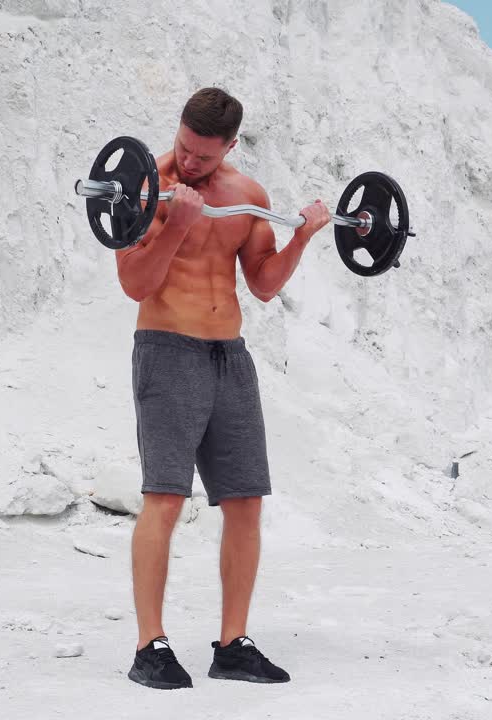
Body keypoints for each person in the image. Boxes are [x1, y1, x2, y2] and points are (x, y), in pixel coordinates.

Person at [115, 87, 332, 690]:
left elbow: (263, 284)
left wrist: (301, 238)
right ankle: (149, 647)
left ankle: (233, 644)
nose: (190, 163)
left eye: (205, 157)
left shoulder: (247, 197)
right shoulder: (143, 188)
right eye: (185, 148)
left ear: (229, 147)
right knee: (165, 496)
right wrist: (175, 226)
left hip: (230, 358)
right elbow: (135, 283)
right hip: (168, 349)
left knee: (244, 501)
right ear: (178, 130)